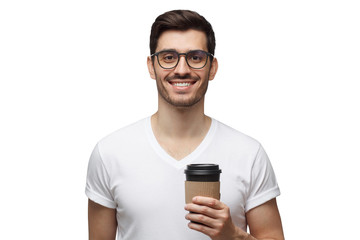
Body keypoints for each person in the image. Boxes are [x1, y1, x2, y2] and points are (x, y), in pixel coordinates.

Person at [86, 9, 284, 240]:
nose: (182, 69)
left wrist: (233, 236)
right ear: (152, 66)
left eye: (196, 57)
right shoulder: (110, 153)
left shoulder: (249, 154)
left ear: (213, 67)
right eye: (168, 57)